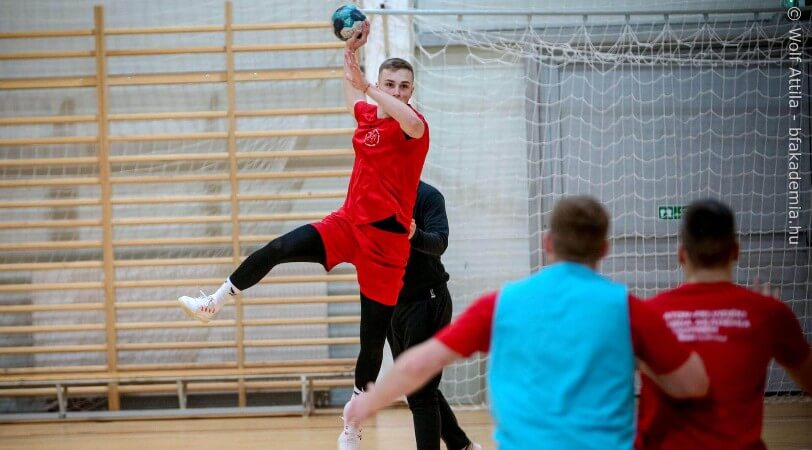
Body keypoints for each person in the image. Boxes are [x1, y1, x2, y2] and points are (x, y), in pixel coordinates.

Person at [176, 20, 430, 449]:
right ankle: (214, 301)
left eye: (404, 86)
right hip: (347, 224)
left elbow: (402, 115)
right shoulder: (368, 116)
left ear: (411, 92)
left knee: (371, 342)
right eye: (391, 83)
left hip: (387, 245)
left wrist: (370, 85)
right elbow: (353, 91)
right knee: (279, 247)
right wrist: (350, 54)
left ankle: (353, 425)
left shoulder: (414, 127)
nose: (397, 91)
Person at [345, 195, 710, 450]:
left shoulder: (503, 304)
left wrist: (370, 401)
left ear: (547, 243)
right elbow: (692, 385)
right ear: (604, 248)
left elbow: (420, 363)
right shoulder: (629, 310)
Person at [635, 199, 812, 450]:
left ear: (681, 253)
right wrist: (769, 317)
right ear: (736, 250)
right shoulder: (767, 313)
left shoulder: (646, 313)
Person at [385, 180, 480, 450]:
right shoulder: (377, 196)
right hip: (393, 304)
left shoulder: (428, 196)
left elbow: (440, 242)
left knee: (420, 392)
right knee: (417, 384)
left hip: (427, 302)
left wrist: (415, 234)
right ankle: (462, 446)